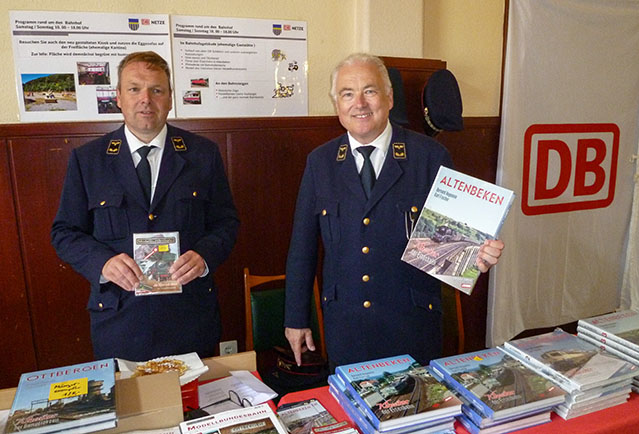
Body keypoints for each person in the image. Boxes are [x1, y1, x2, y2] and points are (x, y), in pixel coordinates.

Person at [284, 53, 504, 369]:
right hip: (346, 327)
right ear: (337, 106)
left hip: (411, 326)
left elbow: (455, 250)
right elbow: (301, 249)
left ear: (389, 98)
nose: (359, 103)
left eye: (370, 91)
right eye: (347, 94)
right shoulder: (320, 163)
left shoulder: (430, 156)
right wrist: (296, 318)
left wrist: (478, 255)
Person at [51, 51, 239, 361]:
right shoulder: (89, 160)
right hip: (119, 320)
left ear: (169, 98)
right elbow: (65, 232)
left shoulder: (203, 155)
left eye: (156, 90)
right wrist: (103, 263)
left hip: (189, 318)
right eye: (134, 89)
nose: (145, 100)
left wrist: (205, 256)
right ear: (119, 98)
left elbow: (226, 223)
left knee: (193, 406)